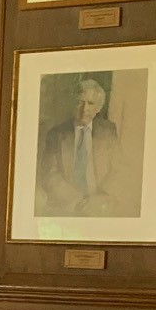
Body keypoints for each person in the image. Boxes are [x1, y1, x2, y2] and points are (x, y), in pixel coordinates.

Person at [36, 75, 124, 217]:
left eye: (90, 103)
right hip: (67, 205)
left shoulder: (108, 131)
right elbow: (49, 174)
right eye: (79, 102)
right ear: (72, 104)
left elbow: (119, 169)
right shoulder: (56, 134)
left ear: (98, 108)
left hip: (99, 204)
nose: (84, 109)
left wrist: (99, 199)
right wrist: (79, 201)